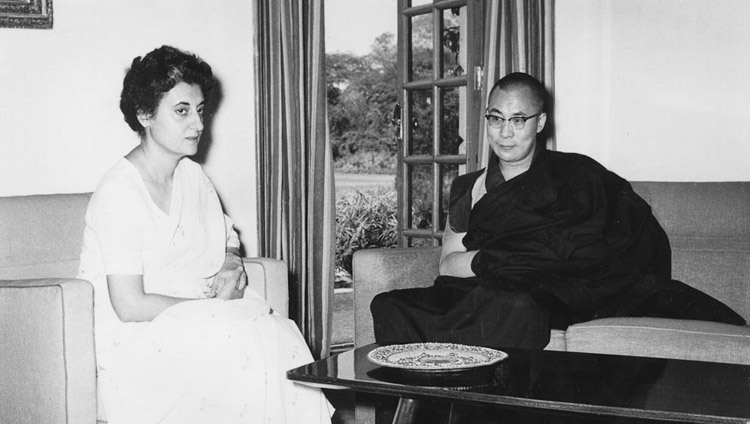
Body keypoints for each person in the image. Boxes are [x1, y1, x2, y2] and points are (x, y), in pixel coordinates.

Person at [371, 72, 745, 350]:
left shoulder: (577, 175)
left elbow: (591, 249)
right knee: (388, 305)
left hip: (545, 295)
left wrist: (502, 260)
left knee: (514, 306)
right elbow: (447, 264)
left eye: (518, 120)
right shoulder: (468, 187)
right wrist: (502, 259)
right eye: (495, 118)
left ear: (540, 123)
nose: (505, 132)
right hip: (483, 292)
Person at [77, 45, 332, 424]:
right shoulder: (119, 192)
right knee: (250, 337)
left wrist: (231, 259)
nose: (197, 124)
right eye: (181, 111)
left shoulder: (192, 176)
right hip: (139, 339)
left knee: (273, 331)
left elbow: (226, 233)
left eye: (199, 110)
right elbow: (129, 305)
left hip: (197, 323)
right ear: (145, 114)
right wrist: (209, 310)